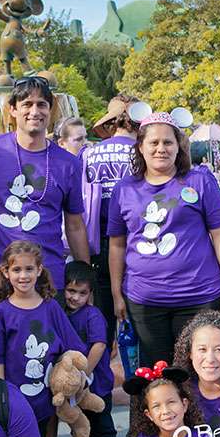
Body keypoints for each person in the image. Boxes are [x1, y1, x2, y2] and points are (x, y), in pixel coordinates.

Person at [108, 111, 220, 367]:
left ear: (178, 146)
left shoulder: (200, 180)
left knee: (199, 372)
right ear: (140, 147)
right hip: (145, 301)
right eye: (154, 142)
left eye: (168, 142)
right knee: (155, 375)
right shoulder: (124, 189)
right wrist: (117, 295)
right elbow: (116, 244)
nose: (161, 148)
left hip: (200, 297)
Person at [0, 76, 89, 293]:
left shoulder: (69, 163)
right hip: (0, 275)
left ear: (50, 110)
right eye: (27, 104)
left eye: (41, 105)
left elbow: (74, 225)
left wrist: (84, 281)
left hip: (49, 277)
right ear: (13, 110)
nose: (34, 111)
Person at [0, 240, 87, 437]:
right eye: (17, 270)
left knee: (46, 431)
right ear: (6, 273)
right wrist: (1, 394)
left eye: (29, 269)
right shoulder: (2, 311)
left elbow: (71, 347)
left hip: (48, 390)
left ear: (39, 270)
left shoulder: (51, 307)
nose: (23, 275)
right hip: (15, 394)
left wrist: (74, 376)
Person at [81, 94, 138, 348]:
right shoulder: (142, 154)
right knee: (140, 325)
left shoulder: (88, 154)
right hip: (136, 243)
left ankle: (102, 383)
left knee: (102, 324)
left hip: (97, 243)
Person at [62, 261, 119, 437]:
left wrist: (83, 374)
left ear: (90, 294)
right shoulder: (62, 313)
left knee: (102, 425)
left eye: (81, 293)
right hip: (75, 388)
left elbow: (99, 345)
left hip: (96, 385)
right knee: (79, 425)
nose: (75, 297)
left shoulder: (92, 315)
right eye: (70, 291)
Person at [121, 363, 212, 437]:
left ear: (184, 405)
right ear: (149, 415)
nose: (165, 411)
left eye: (171, 402)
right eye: (156, 406)